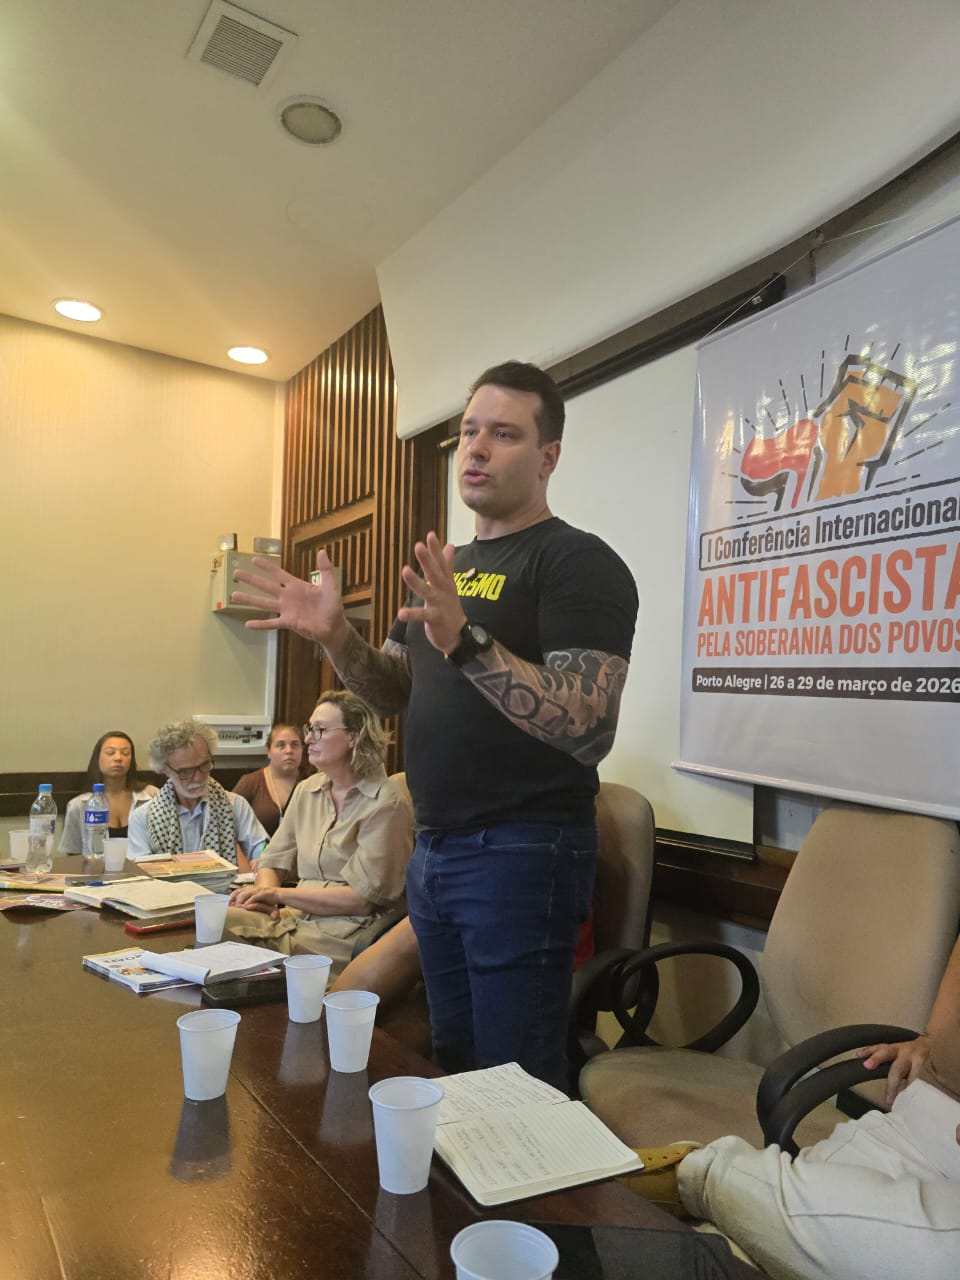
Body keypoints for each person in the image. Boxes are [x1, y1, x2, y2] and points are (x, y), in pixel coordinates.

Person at [233, 360, 638, 1089]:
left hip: (523, 850)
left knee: (513, 1076)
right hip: (437, 848)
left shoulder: (577, 562)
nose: (476, 447)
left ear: (548, 457)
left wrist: (467, 642)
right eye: (470, 430)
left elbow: (588, 726)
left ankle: (525, 1174)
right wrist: (337, 638)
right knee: (450, 1058)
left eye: (504, 434)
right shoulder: (445, 567)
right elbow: (392, 691)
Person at [665, 935, 960, 1280]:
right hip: (922, 1126)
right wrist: (932, 1039)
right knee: (719, 1254)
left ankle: (705, 1176)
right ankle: (711, 1181)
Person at [225, 691, 413, 975]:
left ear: (353, 736)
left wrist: (277, 894)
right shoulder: (307, 789)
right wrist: (264, 899)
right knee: (213, 923)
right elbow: (272, 861)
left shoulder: (386, 803)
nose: (308, 739)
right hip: (292, 917)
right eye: (309, 729)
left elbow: (361, 900)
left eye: (320, 730)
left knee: (232, 951)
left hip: (345, 932)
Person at [128, 719, 268, 869]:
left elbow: (261, 846)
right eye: (185, 772)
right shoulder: (143, 818)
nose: (198, 777)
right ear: (165, 770)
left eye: (204, 765)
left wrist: (262, 857)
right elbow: (141, 871)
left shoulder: (235, 805)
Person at [59, 730, 157, 853]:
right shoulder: (79, 805)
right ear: (97, 758)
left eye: (125, 753)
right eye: (110, 753)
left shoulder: (152, 796)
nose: (118, 758)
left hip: (146, 864)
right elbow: (73, 854)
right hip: (97, 864)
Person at [231, 722, 306, 836]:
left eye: (295, 745)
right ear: (268, 751)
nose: (289, 751)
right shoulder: (250, 782)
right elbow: (228, 822)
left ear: (302, 749)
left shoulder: (311, 782)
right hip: (259, 847)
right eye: (281, 745)